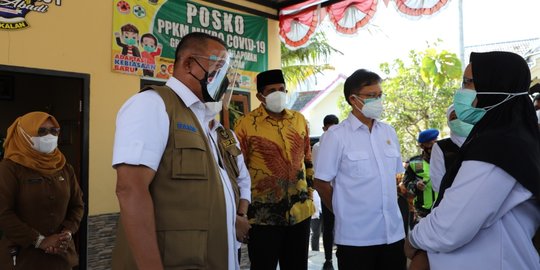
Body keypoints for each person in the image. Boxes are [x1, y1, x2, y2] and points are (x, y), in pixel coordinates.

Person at [111, 32, 251, 270]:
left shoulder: (202, 119)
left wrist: (231, 219)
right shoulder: (153, 104)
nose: (222, 79)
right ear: (188, 64)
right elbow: (130, 189)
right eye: (216, 68)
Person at [405, 51, 540, 270]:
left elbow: (448, 228)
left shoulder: (499, 147)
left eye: (469, 82)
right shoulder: (509, 138)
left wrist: (412, 240)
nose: (461, 91)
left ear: (495, 86)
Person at [314, 69, 406, 270]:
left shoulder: (388, 132)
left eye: (380, 95)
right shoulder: (336, 136)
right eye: (371, 96)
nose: (378, 101)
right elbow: (321, 183)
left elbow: (393, 178)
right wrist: (343, 211)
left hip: (393, 234)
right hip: (356, 239)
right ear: (353, 99)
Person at [234, 69, 315, 270]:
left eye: (281, 89)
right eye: (272, 91)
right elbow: (238, 171)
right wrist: (240, 212)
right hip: (263, 217)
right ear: (260, 96)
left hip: (299, 213)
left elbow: (307, 161)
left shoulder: (299, 120)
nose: (278, 94)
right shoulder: (245, 125)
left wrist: (310, 196)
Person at [0, 111, 84, 270]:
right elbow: (3, 213)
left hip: (61, 258)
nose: (49, 136)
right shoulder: (9, 169)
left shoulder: (64, 168)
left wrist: (66, 233)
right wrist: (40, 241)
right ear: (24, 134)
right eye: (41, 131)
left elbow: (77, 205)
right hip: (22, 259)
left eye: (54, 131)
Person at [312, 114, 339, 270]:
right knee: (328, 225)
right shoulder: (318, 146)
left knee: (343, 223)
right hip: (326, 189)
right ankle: (328, 258)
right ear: (324, 128)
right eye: (328, 129)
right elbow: (318, 171)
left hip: (342, 189)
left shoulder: (343, 141)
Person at [429, 105, 473, 192]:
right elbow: (437, 183)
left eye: (462, 116)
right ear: (449, 122)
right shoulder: (440, 147)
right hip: (453, 199)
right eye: (453, 117)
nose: (459, 121)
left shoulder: (482, 141)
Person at [403, 129, 439, 228]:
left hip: (443, 208)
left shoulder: (446, 160)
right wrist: (415, 185)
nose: (433, 145)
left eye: (435, 142)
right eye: (429, 143)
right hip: (422, 211)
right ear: (422, 146)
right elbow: (406, 183)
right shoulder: (414, 163)